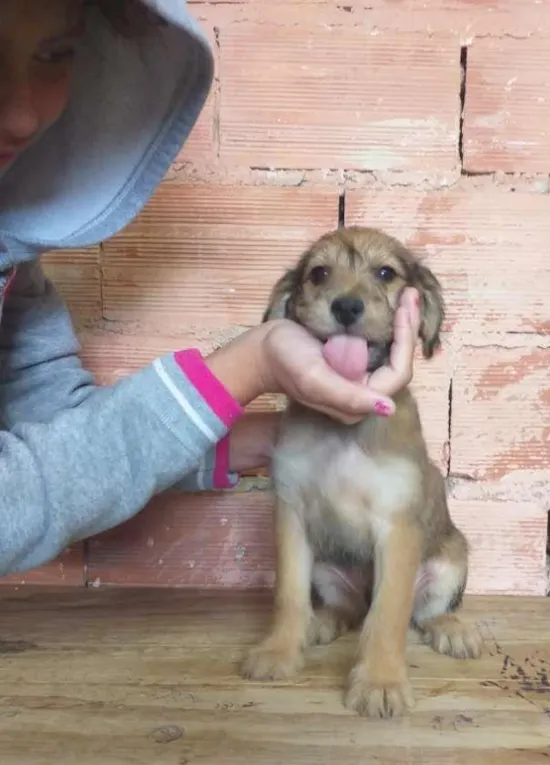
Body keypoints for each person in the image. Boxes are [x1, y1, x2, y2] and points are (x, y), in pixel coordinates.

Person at [0, 0, 420, 577]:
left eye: (55, 54)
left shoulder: (10, 250)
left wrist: (288, 436)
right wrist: (249, 366)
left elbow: (56, 430)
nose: (22, 116)